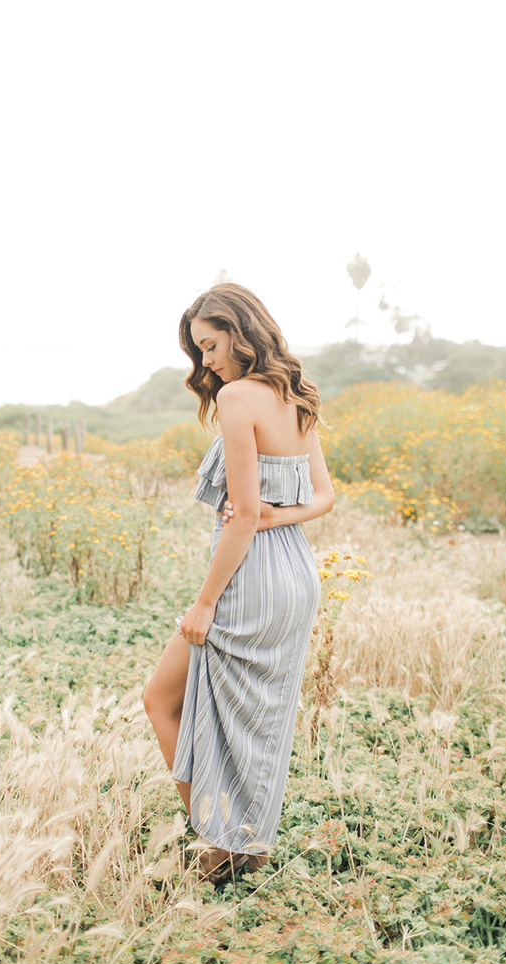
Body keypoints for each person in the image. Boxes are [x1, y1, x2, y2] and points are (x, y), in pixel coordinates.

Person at [142, 283, 335, 884]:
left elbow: (244, 515)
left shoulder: (237, 397)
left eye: (210, 345)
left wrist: (204, 603)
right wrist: (283, 514)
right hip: (295, 573)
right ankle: (241, 844)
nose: (206, 362)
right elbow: (325, 497)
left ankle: (225, 846)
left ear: (240, 331)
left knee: (162, 699)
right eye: (198, 352)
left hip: (249, 575)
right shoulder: (293, 394)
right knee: (255, 718)